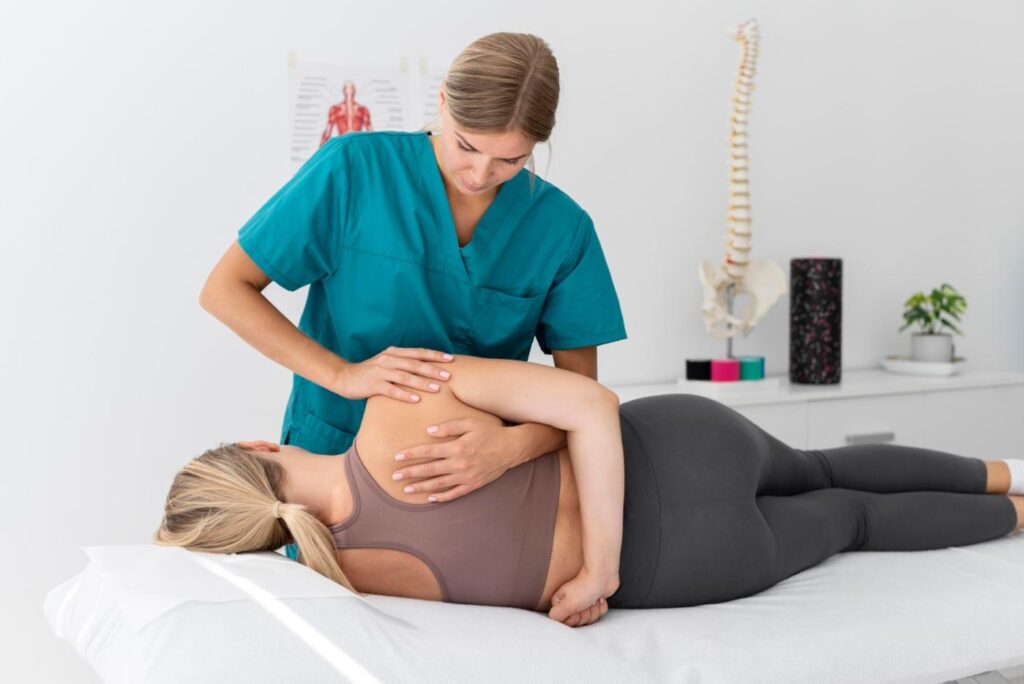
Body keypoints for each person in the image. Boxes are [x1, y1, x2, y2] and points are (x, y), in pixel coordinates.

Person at [155, 355, 1024, 628]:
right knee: (831, 467)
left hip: (686, 566)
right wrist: (515, 451)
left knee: (854, 520)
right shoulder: (398, 399)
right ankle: (1011, 476)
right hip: (679, 448)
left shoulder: (354, 584)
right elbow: (589, 404)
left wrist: (600, 571)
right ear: (258, 446)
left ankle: (1017, 513)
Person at [198, 32, 626, 562]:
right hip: (329, 461)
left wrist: (511, 447)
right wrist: (342, 375)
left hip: (469, 489)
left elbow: (583, 397)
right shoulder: (353, 171)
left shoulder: (562, 229)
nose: (480, 174)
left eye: (510, 160)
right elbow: (225, 289)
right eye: (466, 146)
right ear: (442, 101)